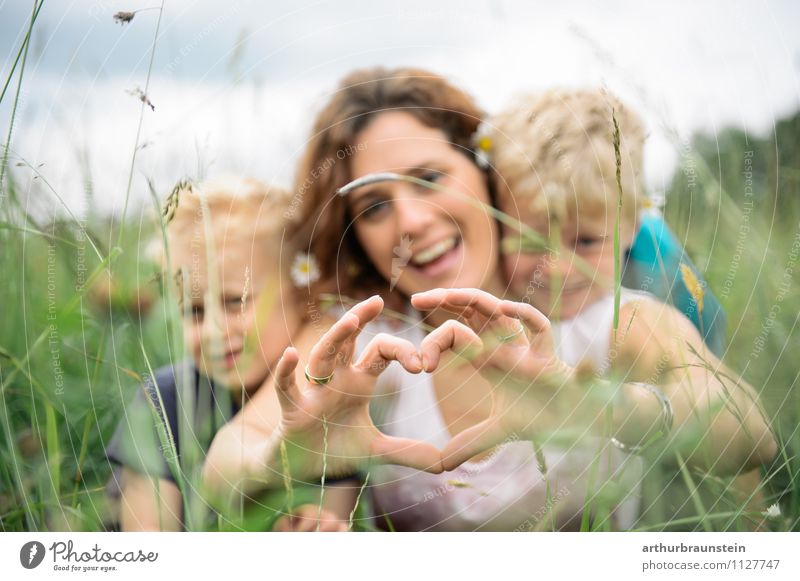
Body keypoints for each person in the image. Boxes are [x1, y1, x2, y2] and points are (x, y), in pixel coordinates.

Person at [203, 70, 776, 531]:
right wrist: (285, 452)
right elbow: (223, 466)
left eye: (429, 178)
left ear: (486, 175)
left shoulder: (610, 321)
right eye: (375, 206)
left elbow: (749, 431)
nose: (412, 220)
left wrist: (598, 407)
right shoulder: (368, 341)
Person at [107, 176, 348, 531]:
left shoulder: (331, 407)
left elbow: (338, 515)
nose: (214, 331)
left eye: (235, 301)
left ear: (302, 296)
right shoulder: (164, 401)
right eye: (195, 311)